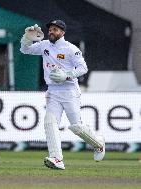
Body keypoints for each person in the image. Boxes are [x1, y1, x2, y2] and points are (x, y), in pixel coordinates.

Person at [20, 20, 105, 170]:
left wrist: (67, 75)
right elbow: (25, 50)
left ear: (63, 33)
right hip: (53, 92)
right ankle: (56, 159)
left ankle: (98, 144)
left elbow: (83, 68)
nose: (51, 32)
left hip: (70, 92)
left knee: (77, 127)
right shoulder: (44, 45)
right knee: (50, 123)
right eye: (50, 29)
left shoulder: (71, 49)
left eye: (55, 29)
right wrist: (26, 38)